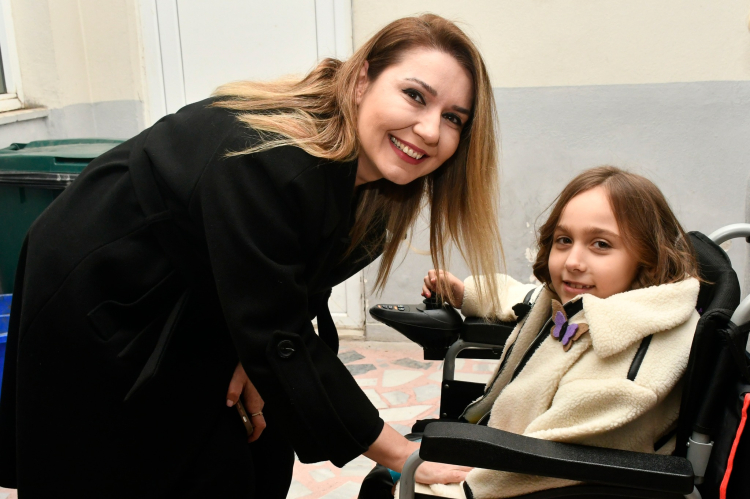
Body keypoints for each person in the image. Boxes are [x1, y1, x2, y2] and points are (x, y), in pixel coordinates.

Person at [0, 14, 503, 499]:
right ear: (360, 82)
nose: (430, 130)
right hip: (107, 291)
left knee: (257, 447)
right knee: (124, 459)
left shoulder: (371, 191)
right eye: (414, 95)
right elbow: (279, 337)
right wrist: (402, 453)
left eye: (453, 118)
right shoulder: (275, 158)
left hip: (203, 285)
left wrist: (253, 354)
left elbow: (285, 294)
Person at [414, 166, 701, 498]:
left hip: (523, 478)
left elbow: (541, 467)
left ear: (649, 257)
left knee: (391, 477)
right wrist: (467, 294)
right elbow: (527, 297)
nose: (572, 261)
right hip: (503, 447)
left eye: (601, 244)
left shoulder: (629, 374)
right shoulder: (598, 303)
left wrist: (441, 485)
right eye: (564, 240)